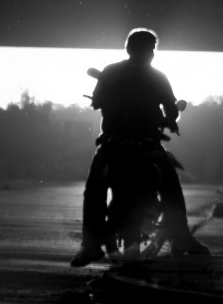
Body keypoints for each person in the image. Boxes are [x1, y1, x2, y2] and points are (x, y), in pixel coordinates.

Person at [70, 28, 209, 267]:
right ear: (139, 50)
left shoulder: (112, 72)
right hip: (142, 140)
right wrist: (170, 117)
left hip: (117, 141)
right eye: (149, 49)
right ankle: (182, 237)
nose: (151, 53)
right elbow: (171, 108)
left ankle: (91, 244)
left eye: (152, 49)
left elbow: (97, 101)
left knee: (95, 186)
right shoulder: (156, 76)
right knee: (169, 182)